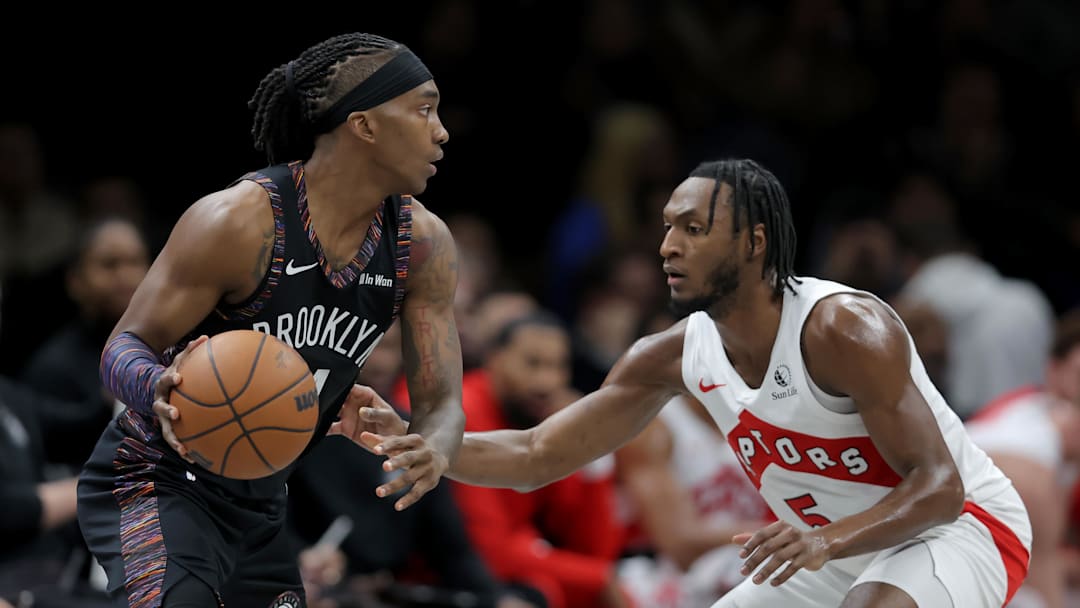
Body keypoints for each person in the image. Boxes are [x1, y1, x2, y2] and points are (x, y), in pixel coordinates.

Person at [350, 159, 1033, 608]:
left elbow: (940, 489)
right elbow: (536, 457)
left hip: (957, 529)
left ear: (754, 242)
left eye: (694, 229)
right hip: (827, 545)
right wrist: (419, 442)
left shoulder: (843, 329)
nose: (668, 246)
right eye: (667, 228)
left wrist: (825, 540)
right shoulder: (673, 354)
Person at [77, 33, 465, 608]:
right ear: (364, 125)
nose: (441, 131)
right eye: (424, 108)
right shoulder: (238, 222)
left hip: (261, 501)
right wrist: (155, 382)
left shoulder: (423, 243)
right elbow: (121, 349)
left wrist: (432, 446)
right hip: (157, 479)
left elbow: (442, 403)